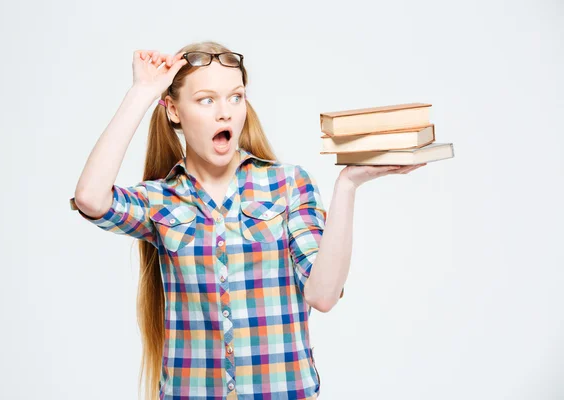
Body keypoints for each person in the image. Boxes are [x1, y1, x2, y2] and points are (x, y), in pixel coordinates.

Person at [70, 40, 426, 400]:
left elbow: (322, 295)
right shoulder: (161, 199)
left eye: (235, 97)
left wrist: (348, 185)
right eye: (206, 100)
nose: (225, 112)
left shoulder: (287, 184)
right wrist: (143, 91)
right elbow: (90, 198)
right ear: (174, 110)